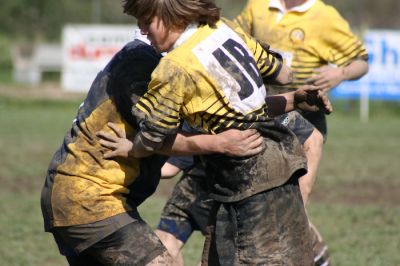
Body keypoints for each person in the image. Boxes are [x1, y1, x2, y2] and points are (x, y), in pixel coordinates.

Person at [100, 0, 332, 264]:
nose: (142, 30)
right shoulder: (224, 28)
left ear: (169, 15)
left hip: (250, 184)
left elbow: (155, 139)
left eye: (146, 21)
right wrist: (293, 98)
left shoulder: (174, 67)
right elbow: (282, 74)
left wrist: (132, 147)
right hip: (275, 169)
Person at [40, 35, 265, 266]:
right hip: (89, 198)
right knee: (160, 262)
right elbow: (155, 136)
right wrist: (220, 143)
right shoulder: (143, 65)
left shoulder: (154, 63)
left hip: (79, 197)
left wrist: (290, 100)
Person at [235, 0, 369, 264]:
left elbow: (361, 62)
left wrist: (340, 73)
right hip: (263, 114)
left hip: (303, 120)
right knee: (269, 200)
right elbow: (233, 38)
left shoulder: (324, 16)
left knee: (291, 203)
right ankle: (316, 258)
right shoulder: (258, 6)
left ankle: (312, 258)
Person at [155, 112, 322, 266]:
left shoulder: (254, 106)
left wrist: (301, 201)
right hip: (203, 182)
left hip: (252, 192)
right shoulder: (196, 105)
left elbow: (313, 138)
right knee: (165, 240)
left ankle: (317, 250)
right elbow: (169, 168)